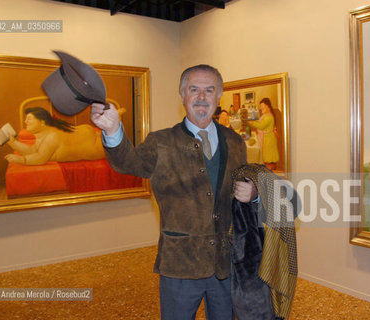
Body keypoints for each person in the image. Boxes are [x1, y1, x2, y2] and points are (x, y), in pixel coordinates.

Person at [90, 64, 257, 319]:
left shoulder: (234, 142)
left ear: (218, 96)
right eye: (194, 90)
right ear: (182, 96)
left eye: (209, 90)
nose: (202, 97)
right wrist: (113, 131)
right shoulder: (161, 142)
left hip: (225, 264)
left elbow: (244, 189)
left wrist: (253, 192)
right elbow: (129, 163)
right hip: (180, 264)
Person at [4, 107, 104, 165]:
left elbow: (41, 157)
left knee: (112, 145)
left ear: (42, 123)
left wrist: (22, 160)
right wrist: (13, 143)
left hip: (95, 146)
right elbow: (33, 151)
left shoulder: (51, 137)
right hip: (85, 133)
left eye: (29, 119)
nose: (26, 122)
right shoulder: (45, 135)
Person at [248, 98, 279, 170]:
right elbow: (260, 123)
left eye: (262, 106)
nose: (261, 108)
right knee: (266, 157)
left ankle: (270, 169)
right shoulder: (266, 115)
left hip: (268, 139)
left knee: (268, 157)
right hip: (267, 137)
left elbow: (261, 126)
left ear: (267, 106)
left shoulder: (268, 117)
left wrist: (252, 123)